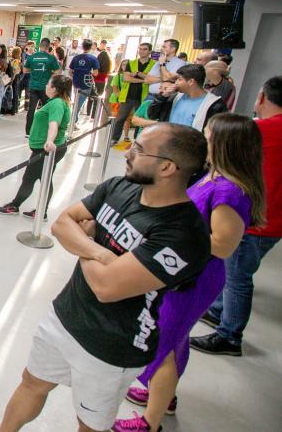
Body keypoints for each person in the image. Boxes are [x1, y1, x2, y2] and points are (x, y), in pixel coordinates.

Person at [0, 123, 212, 432]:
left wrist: (87, 242)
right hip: (66, 314)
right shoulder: (118, 187)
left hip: (114, 345)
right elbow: (62, 223)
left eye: (139, 149)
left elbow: (106, 287)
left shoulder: (184, 235)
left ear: (167, 167)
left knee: (91, 422)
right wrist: (100, 253)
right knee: (32, 383)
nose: (129, 153)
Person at [113, 113, 265, 432]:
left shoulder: (230, 191)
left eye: (209, 138)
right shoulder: (213, 177)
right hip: (181, 270)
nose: (203, 142)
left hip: (195, 277)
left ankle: (150, 422)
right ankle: (161, 394)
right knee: (174, 338)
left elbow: (222, 244)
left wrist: (173, 235)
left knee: (163, 344)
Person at [192, 75, 282, 357]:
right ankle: (219, 310)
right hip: (271, 217)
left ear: (262, 98)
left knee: (238, 278)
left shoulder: (256, 132)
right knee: (235, 273)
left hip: (254, 222)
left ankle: (229, 335)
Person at [0, 75, 73, 220]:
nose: (46, 86)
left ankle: (16, 205)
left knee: (30, 178)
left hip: (46, 150)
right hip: (49, 148)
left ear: (55, 89)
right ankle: (40, 211)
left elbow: (54, 124)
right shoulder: (59, 102)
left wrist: (49, 141)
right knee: (45, 179)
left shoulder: (56, 104)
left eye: (48, 83)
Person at [146, 64, 226, 132]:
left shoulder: (214, 105)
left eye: (179, 79)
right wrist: (162, 96)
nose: (176, 82)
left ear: (191, 82)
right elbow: (152, 115)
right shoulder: (173, 97)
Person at [110, 43, 156, 145]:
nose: (142, 51)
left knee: (141, 119)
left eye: (145, 49)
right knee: (121, 118)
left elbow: (152, 79)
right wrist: (143, 80)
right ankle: (114, 138)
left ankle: (138, 140)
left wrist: (139, 74)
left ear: (149, 51)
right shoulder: (131, 63)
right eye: (140, 49)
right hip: (128, 96)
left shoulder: (154, 64)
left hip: (143, 97)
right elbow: (126, 78)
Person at [23, 39, 62, 137]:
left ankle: (28, 132)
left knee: (31, 109)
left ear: (40, 46)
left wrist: (33, 71)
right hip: (45, 88)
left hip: (33, 86)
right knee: (46, 110)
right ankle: (45, 132)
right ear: (49, 46)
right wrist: (50, 74)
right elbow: (58, 72)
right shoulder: (51, 58)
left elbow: (24, 70)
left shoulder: (31, 57)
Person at [68, 39, 99, 120]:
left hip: (76, 83)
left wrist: (75, 76)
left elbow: (70, 71)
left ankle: (74, 120)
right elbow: (96, 73)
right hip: (86, 84)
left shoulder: (76, 58)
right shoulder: (93, 58)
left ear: (82, 46)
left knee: (77, 101)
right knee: (79, 103)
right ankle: (73, 121)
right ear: (91, 47)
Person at [88, 42, 112, 117]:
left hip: (94, 81)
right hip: (102, 82)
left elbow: (94, 73)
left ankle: (88, 112)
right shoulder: (108, 65)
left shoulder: (96, 65)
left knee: (91, 97)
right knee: (98, 99)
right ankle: (94, 115)